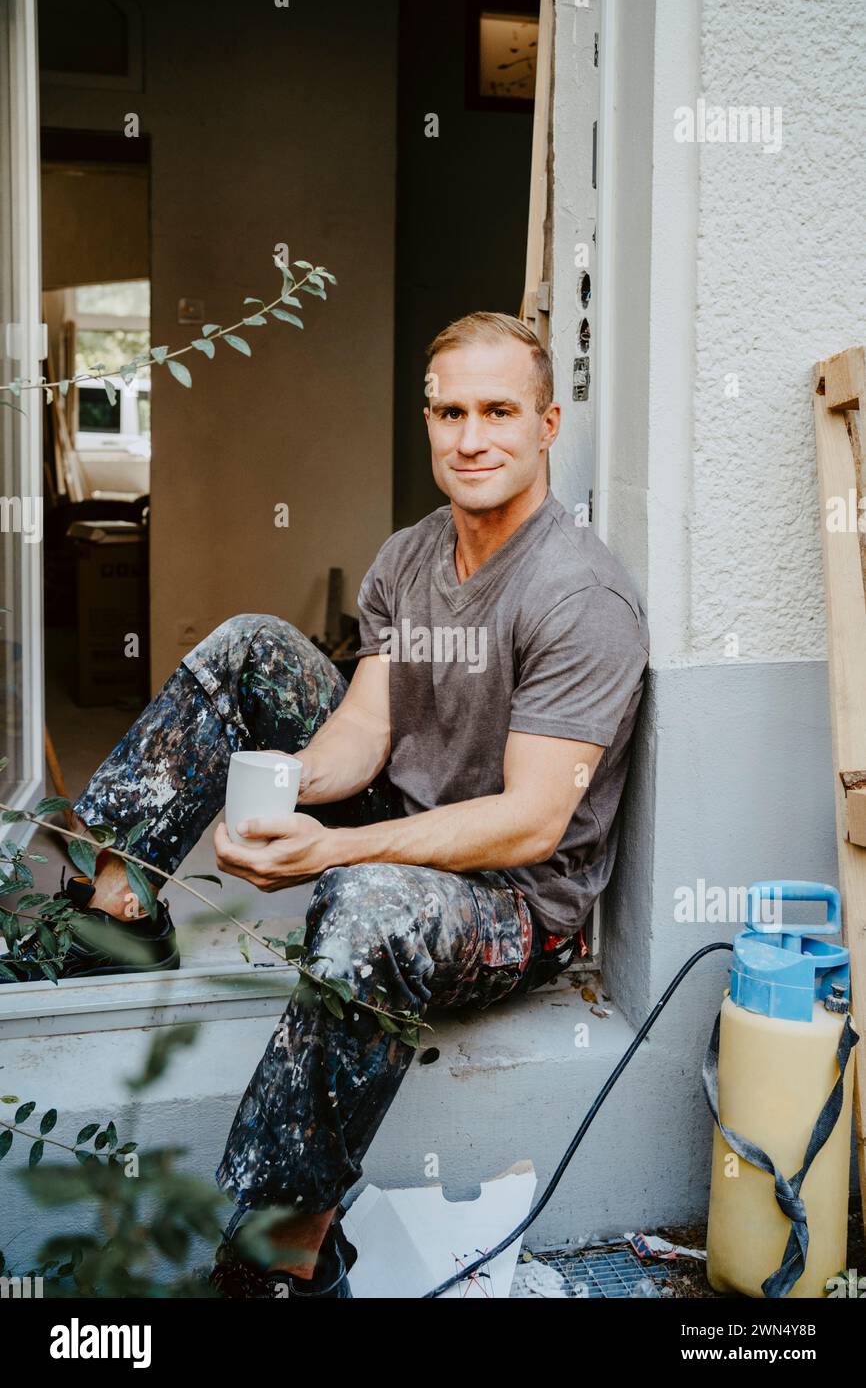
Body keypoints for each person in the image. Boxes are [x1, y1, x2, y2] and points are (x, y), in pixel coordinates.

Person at [2, 312, 649, 1297]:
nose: (470, 437)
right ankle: (112, 915)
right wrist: (282, 791)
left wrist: (333, 858)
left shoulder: (578, 595)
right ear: (427, 419)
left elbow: (530, 820)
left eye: (498, 412)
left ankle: (280, 1250)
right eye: (449, 412)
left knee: (369, 903)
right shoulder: (408, 557)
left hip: (513, 899)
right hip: (413, 817)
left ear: (548, 422)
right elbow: (363, 729)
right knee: (251, 643)